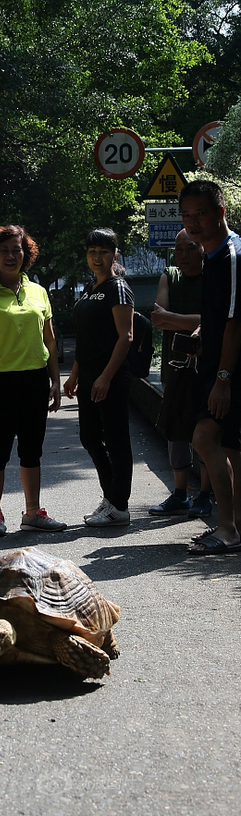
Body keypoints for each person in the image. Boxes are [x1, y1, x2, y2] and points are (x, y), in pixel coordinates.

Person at [0, 225, 65, 536]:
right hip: (0, 383)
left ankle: (32, 512)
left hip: (35, 381)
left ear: (26, 254)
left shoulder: (38, 292)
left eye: (17, 250)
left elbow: (50, 341)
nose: (11, 256)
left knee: (31, 449)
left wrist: (55, 380)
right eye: (4, 251)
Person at [179, 181, 241, 554]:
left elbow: (236, 323)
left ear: (219, 212)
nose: (193, 222)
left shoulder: (231, 256)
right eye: (187, 215)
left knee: (204, 438)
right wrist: (204, 330)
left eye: (200, 213)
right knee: (231, 447)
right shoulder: (211, 254)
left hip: (229, 371)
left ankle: (227, 528)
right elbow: (221, 317)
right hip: (219, 366)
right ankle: (234, 528)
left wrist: (223, 379)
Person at [64, 228, 134, 527]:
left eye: (103, 251)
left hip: (111, 378)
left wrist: (105, 377)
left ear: (114, 254)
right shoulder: (91, 289)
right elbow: (86, 338)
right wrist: (75, 374)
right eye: (92, 251)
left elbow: (126, 336)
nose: (97, 257)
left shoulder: (118, 288)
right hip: (89, 376)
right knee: (89, 437)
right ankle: (111, 495)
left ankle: (120, 505)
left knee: (116, 440)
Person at [149, 229, 212, 516]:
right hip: (175, 367)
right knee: (176, 432)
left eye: (190, 248)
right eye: (179, 249)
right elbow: (158, 319)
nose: (183, 255)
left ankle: (205, 495)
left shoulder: (213, 273)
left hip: (206, 367)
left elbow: (218, 320)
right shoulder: (169, 275)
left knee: (204, 432)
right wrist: (198, 321)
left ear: (201, 249)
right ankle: (179, 493)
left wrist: (173, 319)